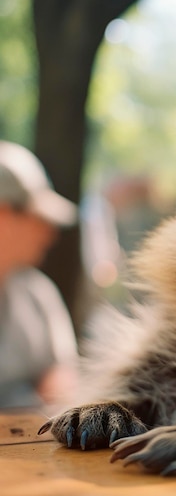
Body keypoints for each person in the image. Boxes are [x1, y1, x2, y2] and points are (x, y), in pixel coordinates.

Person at [0, 140, 79, 409]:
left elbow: (62, 380)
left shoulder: (38, 292)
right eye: (38, 219)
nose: (50, 233)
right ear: (4, 215)